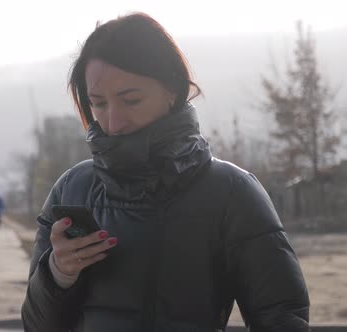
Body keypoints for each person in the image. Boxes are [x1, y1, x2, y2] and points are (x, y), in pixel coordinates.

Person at [21, 13, 309, 332]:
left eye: (131, 100)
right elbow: (37, 326)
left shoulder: (232, 193)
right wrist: (58, 273)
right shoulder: (73, 189)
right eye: (98, 103)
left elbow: (281, 318)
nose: (113, 122)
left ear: (172, 89)